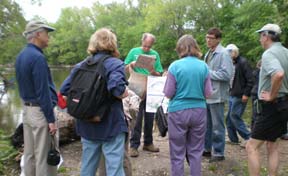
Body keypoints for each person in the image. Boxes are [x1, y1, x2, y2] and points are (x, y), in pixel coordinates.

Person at [60, 28, 129, 176]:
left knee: (88, 167)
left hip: (86, 123)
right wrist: (125, 93)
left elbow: (64, 90)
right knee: (115, 169)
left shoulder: (81, 66)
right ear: (112, 43)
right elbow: (117, 88)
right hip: (110, 125)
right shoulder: (115, 64)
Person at [163, 34, 212, 176]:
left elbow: (168, 93)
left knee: (177, 151)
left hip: (178, 111)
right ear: (196, 48)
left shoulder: (174, 66)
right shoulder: (204, 66)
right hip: (199, 111)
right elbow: (208, 93)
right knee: (196, 151)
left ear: (179, 49)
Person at [15, 20, 58, 176]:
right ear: (38, 34)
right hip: (40, 113)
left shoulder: (21, 56)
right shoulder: (37, 58)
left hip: (27, 111)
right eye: (47, 34)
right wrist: (51, 119)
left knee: (30, 155)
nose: (49, 37)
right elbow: (43, 92)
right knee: (43, 157)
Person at [246, 23, 288, 176]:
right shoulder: (285, 52)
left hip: (271, 106)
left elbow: (278, 74)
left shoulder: (269, 54)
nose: (259, 40)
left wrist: (272, 95)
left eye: (260, 36)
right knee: (273, 145)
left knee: (251, 146)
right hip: (283, 105)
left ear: (266, 36)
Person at [125, 33, 163, 157]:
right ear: (142, 42)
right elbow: (123, 67)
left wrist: (152, 71)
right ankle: (134, 145)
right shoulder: (133, 51)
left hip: (150, 87)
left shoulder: (155, 54)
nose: (146, 48)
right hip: (135, 87)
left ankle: (148, 143)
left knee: (149, 116)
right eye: (145, 46)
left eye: (149, 46)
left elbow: (160, 73)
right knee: (136, 117)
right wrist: (131, 64)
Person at [203, 27, 233, 162]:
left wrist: (207, 73)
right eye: (207, 37)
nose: (208, 40)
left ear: (218, 39)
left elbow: (227, 75)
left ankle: (219, 153)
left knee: (218, 126)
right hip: (208, 95)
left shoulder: (224, 53)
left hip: (218, 96)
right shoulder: (208, 53)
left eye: (211, 38)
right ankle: (207, 149)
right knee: (207, 125)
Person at [225, 44, 253, 146]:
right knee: (229, 118)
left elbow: (251, 80)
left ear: (234, 52)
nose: (227, 54)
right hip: (232, 94)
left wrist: (246, 94)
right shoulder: (231, 63)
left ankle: (248, 137)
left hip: (240, 95)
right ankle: (233, 139)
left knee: (234, 116)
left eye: (229, 52)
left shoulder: (243, 62)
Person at [250, 60, 261, 130]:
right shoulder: (258, 73)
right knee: (256, 113)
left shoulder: (254, 72)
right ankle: (254, 129)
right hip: (257, 94)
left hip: (254, 93)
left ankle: (253, 129)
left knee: (255, 112)